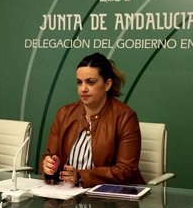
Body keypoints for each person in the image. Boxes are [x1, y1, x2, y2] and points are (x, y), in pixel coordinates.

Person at [40, 52, 145, 188]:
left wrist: (81, 176)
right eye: (79, 82)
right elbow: (48, 156)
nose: (83, 89)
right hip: (68, 195)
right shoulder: (64, 114)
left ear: (107, 84)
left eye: (90, 82)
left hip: (110, 200)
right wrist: (49, 167)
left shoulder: (125, 116)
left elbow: (126, 170)